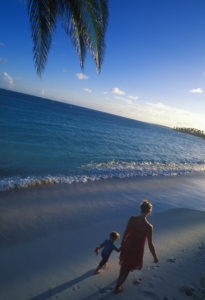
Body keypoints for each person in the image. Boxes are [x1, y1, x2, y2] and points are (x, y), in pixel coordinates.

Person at [114, 200, 159, 293]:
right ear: (149, 212)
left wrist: (122, 244)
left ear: (141, 209)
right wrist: (155, 257)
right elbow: (150, 244)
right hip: (137, 250)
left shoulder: (132, 219)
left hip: (127, 245)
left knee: (124, 265)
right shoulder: (149, 227)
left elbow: (125, 233)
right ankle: (118, 287)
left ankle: (119, 280)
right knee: (127, 268)